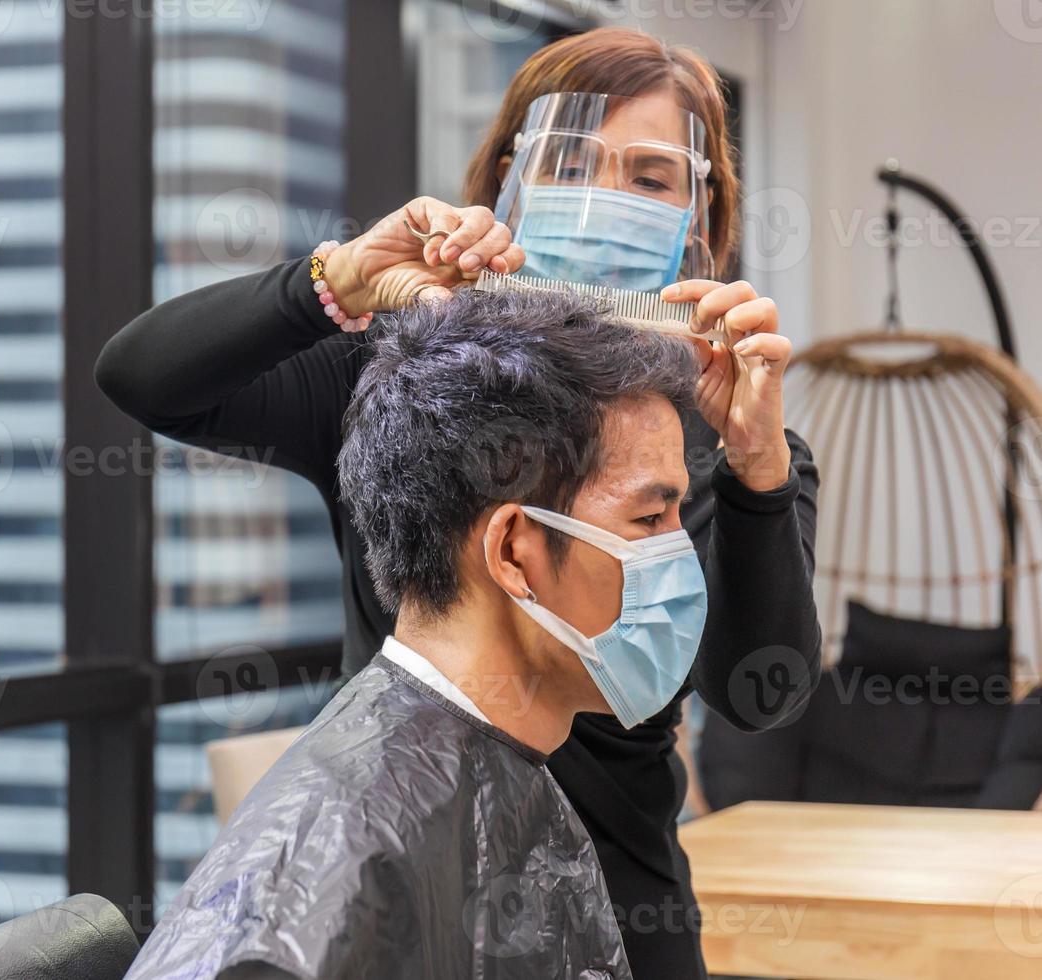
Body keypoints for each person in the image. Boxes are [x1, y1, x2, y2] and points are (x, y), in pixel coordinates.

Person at [98, 28, 821, 978]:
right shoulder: (399, 375)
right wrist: (333, 282)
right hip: (408, 883)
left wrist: (757, 465)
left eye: (650, 177)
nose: (605, 199)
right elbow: (143, 377)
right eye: (570, 165)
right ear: (507, 181)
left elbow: (760, 692)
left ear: (703, 213)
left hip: (619, 909)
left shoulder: (730, 437)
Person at [125, 288, 701, 980]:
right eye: (649, 521)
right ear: (515, 551)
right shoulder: (337, 861)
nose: (683, 557)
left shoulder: (506, 766)